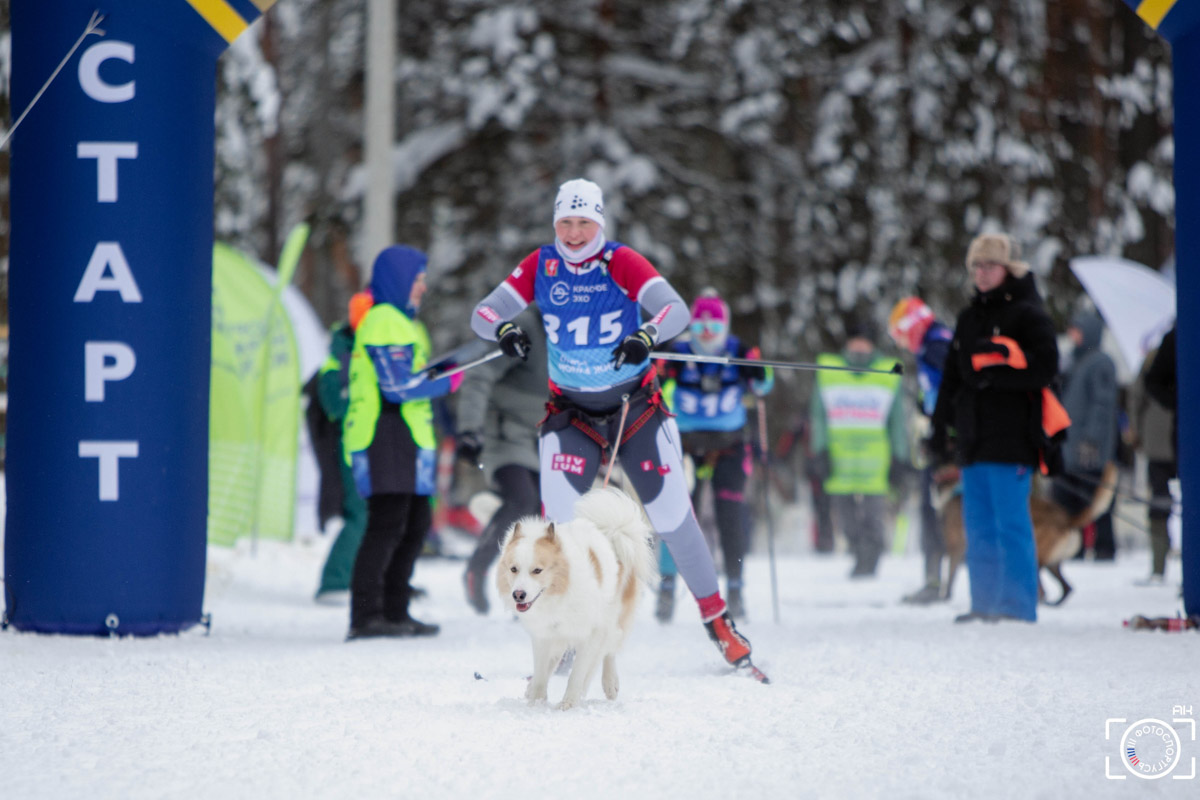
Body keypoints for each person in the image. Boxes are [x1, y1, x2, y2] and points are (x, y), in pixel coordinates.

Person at [469, 178, 755, 669]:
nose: (575, 233)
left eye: (585, 223)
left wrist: (646, 333)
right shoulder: (542, 264)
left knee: (671, 518)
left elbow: (676, 309)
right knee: (559, 531)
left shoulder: (619, 260)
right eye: (566, 222)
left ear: (599, 223)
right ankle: (562, 638)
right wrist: (505, 327)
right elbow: (484, 312)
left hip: (635, 411)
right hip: (571, 417)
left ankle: (718, 620)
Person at [930, 232, 1058, 623]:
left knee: (1011, 525)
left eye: (989, 265)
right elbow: (951, 379)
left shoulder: (1028, 314)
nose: (982, 273)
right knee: (979, 527)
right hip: (973, 441)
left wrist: (997, 379)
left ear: (1007, 268)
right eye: (976, 267)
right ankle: (984, 604)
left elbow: (1046, 369)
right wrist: (939, 428)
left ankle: (1017, 607)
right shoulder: (969, 318)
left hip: (1013, 439)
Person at [344, 245, 461, 640]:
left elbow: (413, 375)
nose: (422, 289)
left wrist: (446, 369)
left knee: (415, 524)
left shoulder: (406, 324)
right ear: (398, 280)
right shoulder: (383, 320)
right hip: (383, 434)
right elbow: (395, 387)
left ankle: (395, 610)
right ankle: (365, 616)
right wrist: (448, 381)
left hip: (407, 438)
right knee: (387, 524)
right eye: (417, 280)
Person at [655, 289, 773, 621]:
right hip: (686, 446)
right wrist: (659, 373)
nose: (707, 333)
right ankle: (666, 589)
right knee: (675, 516)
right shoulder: (678, 352)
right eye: (700, 326)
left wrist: (758, 372)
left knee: (730, 513)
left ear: (726, 327)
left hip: (729, 445)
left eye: (715, 326)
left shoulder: (740, 351)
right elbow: (655, 387)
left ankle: (735, 589)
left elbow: (764, 386)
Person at [457, 305, 548, 614]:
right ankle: (477, 568)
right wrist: (469, 429)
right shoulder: (524, 327)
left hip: (543, 437)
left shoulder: (575, 332)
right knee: (522, 499)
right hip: (505, 433)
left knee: (541, 514)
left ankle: (528, 591)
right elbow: (478, 374)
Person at [808, 323, 908, 578]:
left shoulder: (887, 372)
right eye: (855, 341)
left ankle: (871, 557)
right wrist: (819, 451)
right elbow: (818, 416)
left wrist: (900, 455)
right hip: (839, 458)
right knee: (845, 517)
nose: (859, 347)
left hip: (875, 459)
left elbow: (897, 420)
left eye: (864, 341)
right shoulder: (829, 371)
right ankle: (857, 552)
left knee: (874, 515)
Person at [888, 296, 954, 603]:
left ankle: (934, 581)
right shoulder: (934, 342)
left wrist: (940, 428)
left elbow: (954, 389)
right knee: (932, 509)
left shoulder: (936, 346)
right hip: (942, 436)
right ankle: (934, 579)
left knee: (935, 510)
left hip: (948, 443)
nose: (902, 344)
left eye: (901, 336)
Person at [311, 291, 373, 603]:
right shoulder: (339, 358)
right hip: (351, 446)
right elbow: (334, 404)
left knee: (376, 515)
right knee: (360, 513)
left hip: (370, 444)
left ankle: (365, 579)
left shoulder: (355, 353)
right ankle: (334, 581)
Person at [1052, 310, 1118, 560]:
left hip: (1090, 446)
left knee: (1094, 498)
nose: (1072, 335)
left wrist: (1092, 438)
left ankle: (1104, 548)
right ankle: (1076, 549)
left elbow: (1103, 405)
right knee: (1070, 498)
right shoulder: (1075, 361)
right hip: (1070, 444)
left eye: (1077, 330)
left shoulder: (1100, 362)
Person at [1128, 332, 1177, 583]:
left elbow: (1138, 397)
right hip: (1173, 441)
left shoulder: (1154, 359)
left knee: (1159, 504)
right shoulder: (1160, 357)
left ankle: (1159, 567)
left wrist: (1136, 432)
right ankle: (1162, 565)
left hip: (1158, 442)